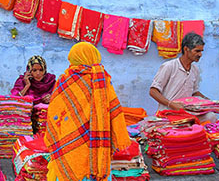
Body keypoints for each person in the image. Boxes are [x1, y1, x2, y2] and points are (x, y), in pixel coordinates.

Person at [44, 42, 131, 181]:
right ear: (94, 56)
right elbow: (113, 111)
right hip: (97, 144)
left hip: (67, 140)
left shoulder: (64, 80)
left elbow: (54, 111)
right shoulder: (102, 80)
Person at [149, 32, 209, 112]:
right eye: (197, 51)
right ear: (186, 49)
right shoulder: (169, 66)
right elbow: (153, 91)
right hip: (168, 112)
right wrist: (171, 104)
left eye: (201, 51)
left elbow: (194, 92)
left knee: (211, 116)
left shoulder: (195, 70)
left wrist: (209, 102)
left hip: (186, 112)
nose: (200, 54)